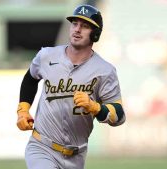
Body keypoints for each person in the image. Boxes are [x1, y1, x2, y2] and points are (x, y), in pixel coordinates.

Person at [16, 4, 126, 169]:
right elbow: (30, 79)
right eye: (75, 24)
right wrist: (23, 110)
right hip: (42, 147)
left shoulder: (105, 70)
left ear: (95, 34)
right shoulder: (46, 56)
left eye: (85, 26)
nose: (77, 29)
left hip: (77, 155)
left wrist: (95, 107)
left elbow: (119, 115)